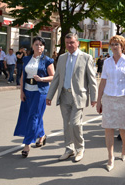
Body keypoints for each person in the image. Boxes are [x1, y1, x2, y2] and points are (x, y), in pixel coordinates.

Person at [46, 33, 97, 162]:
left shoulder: (86, 58)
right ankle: (69, 149)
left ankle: (80, 148)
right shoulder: (62, 58)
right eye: (67, 43)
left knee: (75, 123)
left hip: (79, 96)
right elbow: (57, 78)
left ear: (77, 42)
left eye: (72, 42)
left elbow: (92, 79)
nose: (69, 45)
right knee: (67, 124)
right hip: (64, 95)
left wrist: (94, 97)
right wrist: (50, 95)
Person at [96, 35, 125, 172]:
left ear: (122, 46)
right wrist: (98, 100)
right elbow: (103, 82)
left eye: (117, 44)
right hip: (108, 97)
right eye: (112, 44)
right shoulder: (107, 62)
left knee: (123, 127)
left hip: (123, 98)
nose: (114, 46)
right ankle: (110, 157)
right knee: (108, 128)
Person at [14, 36, 55, 158]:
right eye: (36, 44)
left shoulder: (47, 60)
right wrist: (21, 91)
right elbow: (22, 76)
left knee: (33, 117)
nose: (39, 47)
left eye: (41, 45)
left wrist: (42, 79)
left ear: (44, 47)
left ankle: (27, 144)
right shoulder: (26, 59)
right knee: (32, 115)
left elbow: (53, 76)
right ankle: (41, 135)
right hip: (28, 91)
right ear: (32, 46)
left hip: (40, 92)